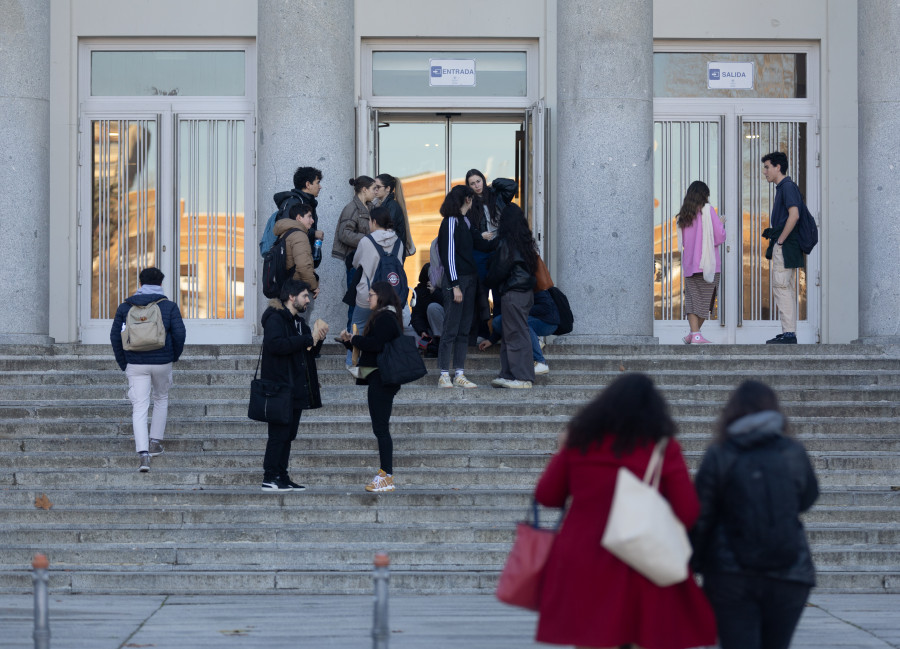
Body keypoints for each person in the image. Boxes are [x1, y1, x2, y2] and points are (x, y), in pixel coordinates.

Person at [534, 373, 717, 649]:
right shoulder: (662, 448)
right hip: (641, 558)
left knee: (593, 639)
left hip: (584, 556)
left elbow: (547, 496)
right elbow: (688, 511)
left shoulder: (580, 444)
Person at [691, 380, 819, 649]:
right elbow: (808, 499)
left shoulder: (720, 453)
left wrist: (693, 563)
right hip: (790, 573)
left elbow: (701, 515)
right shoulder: (793, 451)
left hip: (730, 574)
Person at [110, 267, 186, 473]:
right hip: (162, 362)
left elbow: (115, 337)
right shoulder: (168, 306)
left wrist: (123, 362)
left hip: (135, 363)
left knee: (140, 406)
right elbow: (180, 334)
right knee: (161, 399)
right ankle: (155, 443)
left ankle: (143, 455)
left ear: (140, 284)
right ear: (161, 284)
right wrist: (173, 356)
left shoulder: (126, 307)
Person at [259, 279, 326, 492]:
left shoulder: (299, 322)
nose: (308, 300)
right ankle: (270, 477)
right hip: (279, 387)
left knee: (288, 435)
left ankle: (282, 475)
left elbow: (309, 352)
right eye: (305, 296)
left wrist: (318, 339)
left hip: (296, 388)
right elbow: (275, 345)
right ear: (291, 297)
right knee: (278, 435)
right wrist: (306, 340)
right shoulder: (275, 319)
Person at [339, 281, 403, 492]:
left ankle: (386, 476)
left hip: (383, 379)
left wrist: (355, 338)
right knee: (380, 428)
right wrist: (350, 343)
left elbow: (376, 345)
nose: (369, 298)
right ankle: (385, 475)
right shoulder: (384, 317)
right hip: (379, 378)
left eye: (372, 294)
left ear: (382, 296)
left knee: (381, 429)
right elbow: (372, 348)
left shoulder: (386, 318)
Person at [436, 184, 494, 388]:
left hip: (470, 280)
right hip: (457, 281)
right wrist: (454, 285)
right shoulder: (451, 222)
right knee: (450, 328)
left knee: (463, 329)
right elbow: (448, 255)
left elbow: (480, 244)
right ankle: (444, 374)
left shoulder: (466, 222)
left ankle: (459, 373)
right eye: (472, 199)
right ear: (467, 199)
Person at [485, 203, 537, 388]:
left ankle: (522, 378)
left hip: (513, 292)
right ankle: (508, 374)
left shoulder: (507, 242)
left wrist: (486, 281)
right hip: (524, 293)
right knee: (510, 334)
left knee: (516, 334)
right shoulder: (525, 242)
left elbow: (499, 270)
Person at [347, 206, 404, 375]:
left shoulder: (366, 241)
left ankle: (353, 364)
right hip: (390, 296)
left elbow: (356, 263)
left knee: (358, 328)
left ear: (374, 221)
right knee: (384, 335)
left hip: (368, 295)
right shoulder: (399, 242)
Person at [465, 169, 517, 343]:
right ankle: (482, 331)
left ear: (483, 180)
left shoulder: (497, 196)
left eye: (478, 181)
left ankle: (499, 331)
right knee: (481, 290)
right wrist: (480, 236)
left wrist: (493, 184)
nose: (476, 186)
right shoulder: (469, 202)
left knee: (499, 290)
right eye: (472, 183)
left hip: (499, 247)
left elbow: (512, 185)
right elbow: (467, 228)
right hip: (480, 249)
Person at [761, 152, 804, 344]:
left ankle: (789, 334)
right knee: (786, 287)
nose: (765, 172)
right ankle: (789, 331)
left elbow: (794, 215)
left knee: (781, 287)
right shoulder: (785, 187)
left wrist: (780, 241)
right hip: (788, 246)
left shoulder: (787, 187)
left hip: (785, 245)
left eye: (767, 167)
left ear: (778, 167)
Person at [676, 180, 726, 344]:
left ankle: (694, 334)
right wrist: (721, 224)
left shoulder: (684, 216)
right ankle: (695, 334)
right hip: (709, 264)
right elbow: (719, 237)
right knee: (707, 301)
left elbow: (684, 242)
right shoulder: (708, 211)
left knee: (692, 300)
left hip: (690, 265)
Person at [479, 288, 558, 375]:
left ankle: (540, 362)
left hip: (547, 322)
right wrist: (492, 340)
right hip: (527, 318)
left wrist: (519, 311)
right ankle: (535, 341)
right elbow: (506, 321)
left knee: (520, 322)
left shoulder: (532, 282)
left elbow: (546, 307)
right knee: (498, 321)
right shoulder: (506, 287)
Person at [332, 176, 374, 329]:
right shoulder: (351, 208)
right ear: (364, 189)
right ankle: (351, 340)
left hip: (369, 261)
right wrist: (368, 239)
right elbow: (344, 234)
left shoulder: (371, 208)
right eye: (373, 188)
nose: (375, 192)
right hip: (356, 262)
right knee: (356, 301)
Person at [273, 166, 325, 254]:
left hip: (301, 256)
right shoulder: (293, 202)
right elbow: (288, 230)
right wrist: (314, 234)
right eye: (317, 183)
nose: (320, 187)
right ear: (308, 184)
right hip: (293, 260)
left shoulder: (307, 202)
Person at [273, 203, 319, 298]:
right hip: (297, 290)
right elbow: (303, 266)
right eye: (309, 216)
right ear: (299, 218)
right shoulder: (299, 235)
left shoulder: (286, 233)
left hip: (286, 287)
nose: (312, 220)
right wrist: (313, 286)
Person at [373, 173, 414, 260]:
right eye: (374, 187)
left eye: (378, 187)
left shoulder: (392, 206)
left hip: (393, 255)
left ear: (387, 188)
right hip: (390, 253)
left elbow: (387, 231)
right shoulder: (382, 204)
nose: (375, 190)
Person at [410, 262, 443, 358]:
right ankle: (432, 348)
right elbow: (416, 315)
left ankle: (437, 346)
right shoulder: (419, 291)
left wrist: (435, 293)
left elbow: (449, 307)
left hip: (445, 327)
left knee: (433, 307)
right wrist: (422, 331)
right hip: (428, 329)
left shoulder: (445, 287)